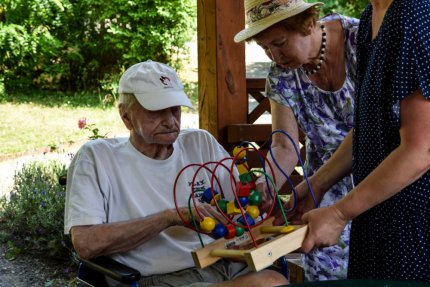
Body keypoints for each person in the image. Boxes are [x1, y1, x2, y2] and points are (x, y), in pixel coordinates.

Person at [64, 60, 288, 287]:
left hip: (227, 262)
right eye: (156, 112)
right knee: (270, 283)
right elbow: (86, 243)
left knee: (274, 278)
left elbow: (243, 207)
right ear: (126, 116)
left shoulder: (200, 142)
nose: (170, 121)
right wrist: (169, 218)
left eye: (175, 109)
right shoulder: (97, 158)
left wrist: (261, 202)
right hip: (157, 280)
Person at [300, 0, 430, 281]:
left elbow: (421, 150)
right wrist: (316, 185)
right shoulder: (371, 15)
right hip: (376, 220)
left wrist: (338, 214)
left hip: (412, 229)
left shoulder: (413, 15)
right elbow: (371, 128)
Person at [234, 0, 359, 281]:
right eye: (265, 48)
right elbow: (284, 146)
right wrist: (267, 182)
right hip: (322, 189)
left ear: (308, 23)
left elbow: (372, 130)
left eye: (279, 43)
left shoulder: (360, 41)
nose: (274, 56)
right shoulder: (282, 75)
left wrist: (309, 188)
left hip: (378, 178)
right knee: (328, 272)